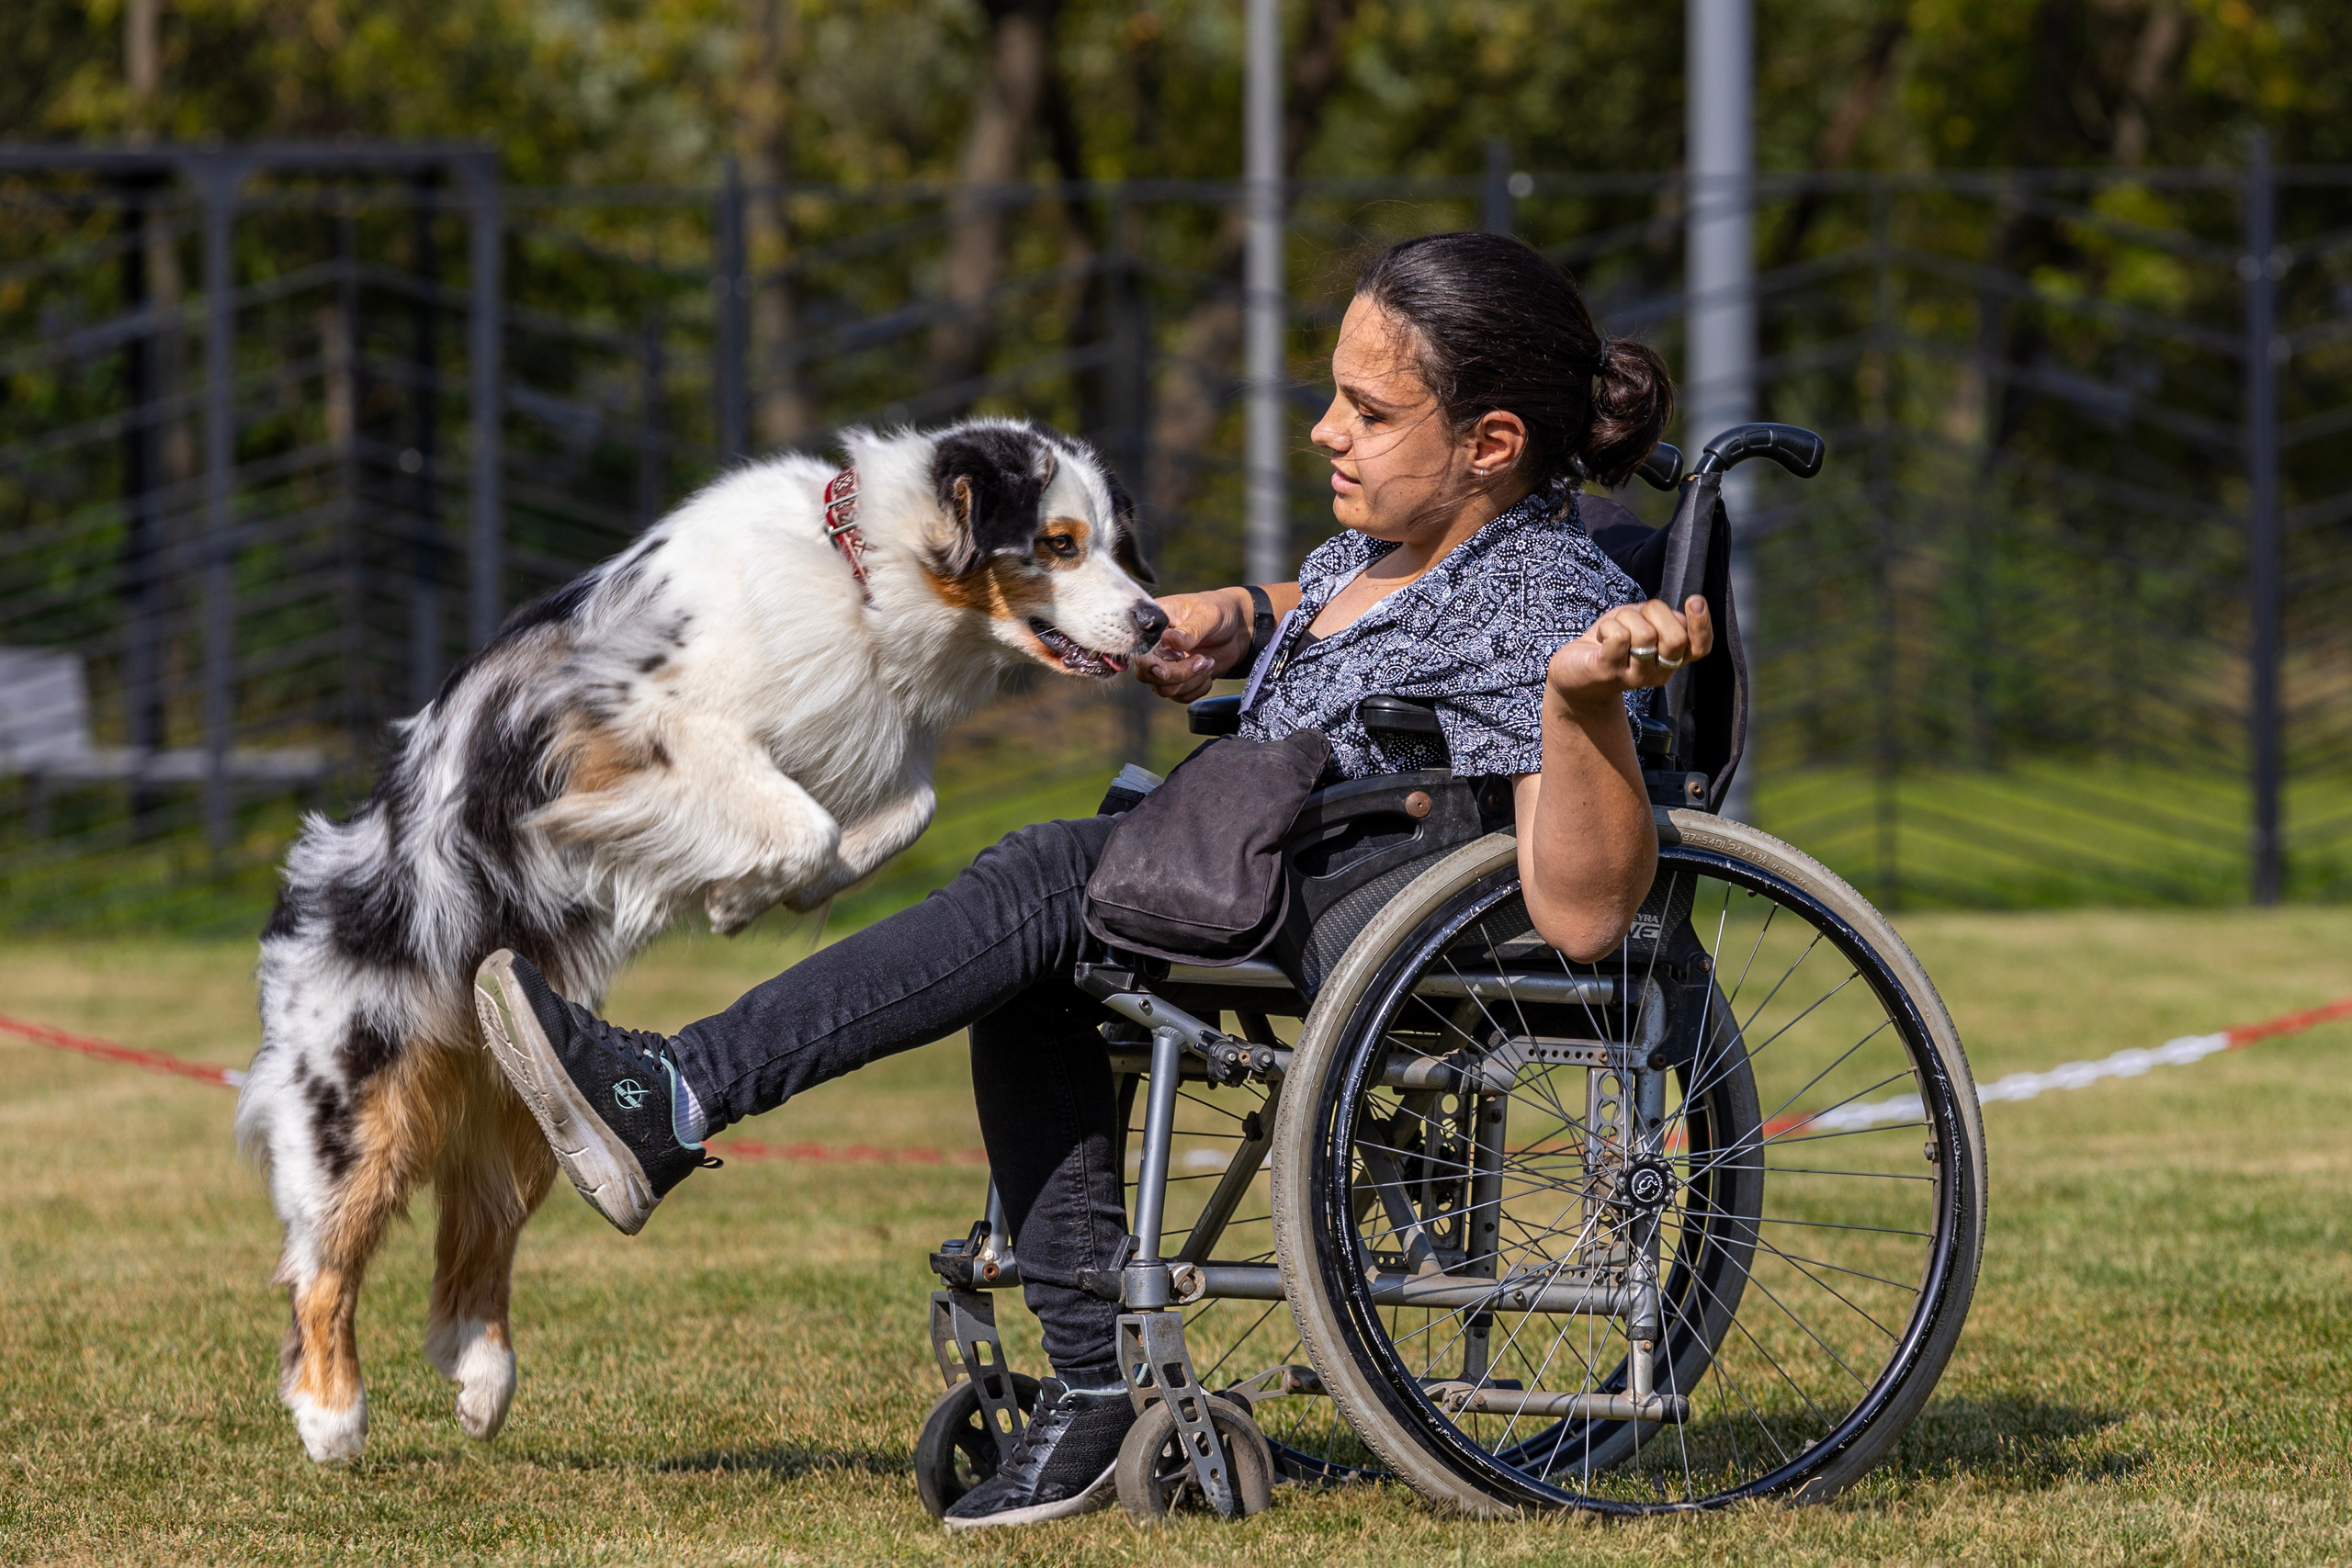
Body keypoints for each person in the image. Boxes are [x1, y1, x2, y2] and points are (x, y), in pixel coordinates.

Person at [472, 230, 1713, 1530]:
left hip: (1393, 924)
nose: (1321, 431)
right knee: (1043, 944)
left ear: (1492, 443)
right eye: (1333, 393)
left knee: (1052, 880)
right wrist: (1247, 612)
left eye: (1368, 409)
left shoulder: (1544, 601)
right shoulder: (1390, 548)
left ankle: (678, 1091)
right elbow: (1369, 618)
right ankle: (1090, 1387)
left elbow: (1583, 912)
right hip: (1290, 867)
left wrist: (1582, 704)